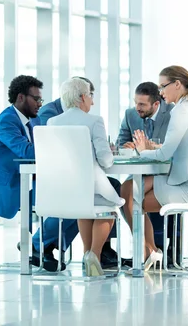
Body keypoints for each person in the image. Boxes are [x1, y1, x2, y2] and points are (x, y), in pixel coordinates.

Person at [0, 75, 72, 272]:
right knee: (70, 199)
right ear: (21, 97)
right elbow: (28, 151)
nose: (40, 104)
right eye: (36, 99)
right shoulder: (7, 121)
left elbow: (43, 146)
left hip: (31, 180)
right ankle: (40, 245)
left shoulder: (34, 119)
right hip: (9, 185)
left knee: (78, 198)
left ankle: (43, 246)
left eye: (41, 99)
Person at [128, 65, 188, 271]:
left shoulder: (181, 111)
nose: (161, 92)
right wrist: (153, 147)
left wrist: (142, 150)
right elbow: (176, 147)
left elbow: (166, 154)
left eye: (163, 86)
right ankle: (150, 251)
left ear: (177, 84)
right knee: (128, 192)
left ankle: (148, 252)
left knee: (131, 199)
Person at [35, 77, 123, 269]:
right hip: (90, 184)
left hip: (64, 188)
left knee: (85, 207)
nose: (92, 100)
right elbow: (106, 161)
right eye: (90, 96)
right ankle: (95, 255)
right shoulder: (94, 121)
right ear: (83, 97)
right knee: (109, 207)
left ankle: (86, 254)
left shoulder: (52, 122)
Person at [116, 82, 173, 249]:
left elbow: (172, 146)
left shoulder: (172, 114)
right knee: (125, 194)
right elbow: (121, 142)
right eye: (135, 102)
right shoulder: (130, 115)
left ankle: (148, 248)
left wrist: (149, 147)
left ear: (156, 104)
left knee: (131, 194)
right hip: (140, 170)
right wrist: (127, 146)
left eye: (142, 104)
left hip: (166, 171)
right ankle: (148, 248)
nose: (137, 108)